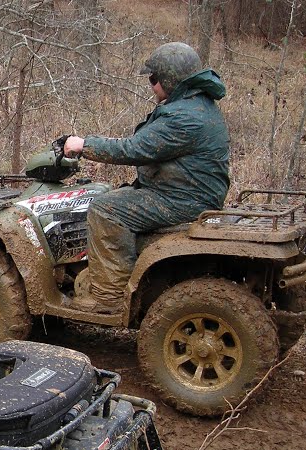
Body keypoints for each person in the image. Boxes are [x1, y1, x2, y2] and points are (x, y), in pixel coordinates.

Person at [60, 41, 230, 314]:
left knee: (106, 209)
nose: (151, 85)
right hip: (190, 190)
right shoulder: (198, 105)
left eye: (153, 79)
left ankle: (108, 296)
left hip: (183, 199)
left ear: (170, 80)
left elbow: (135, 149)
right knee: (112, 195)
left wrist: (83, 144)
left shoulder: (184, 117)